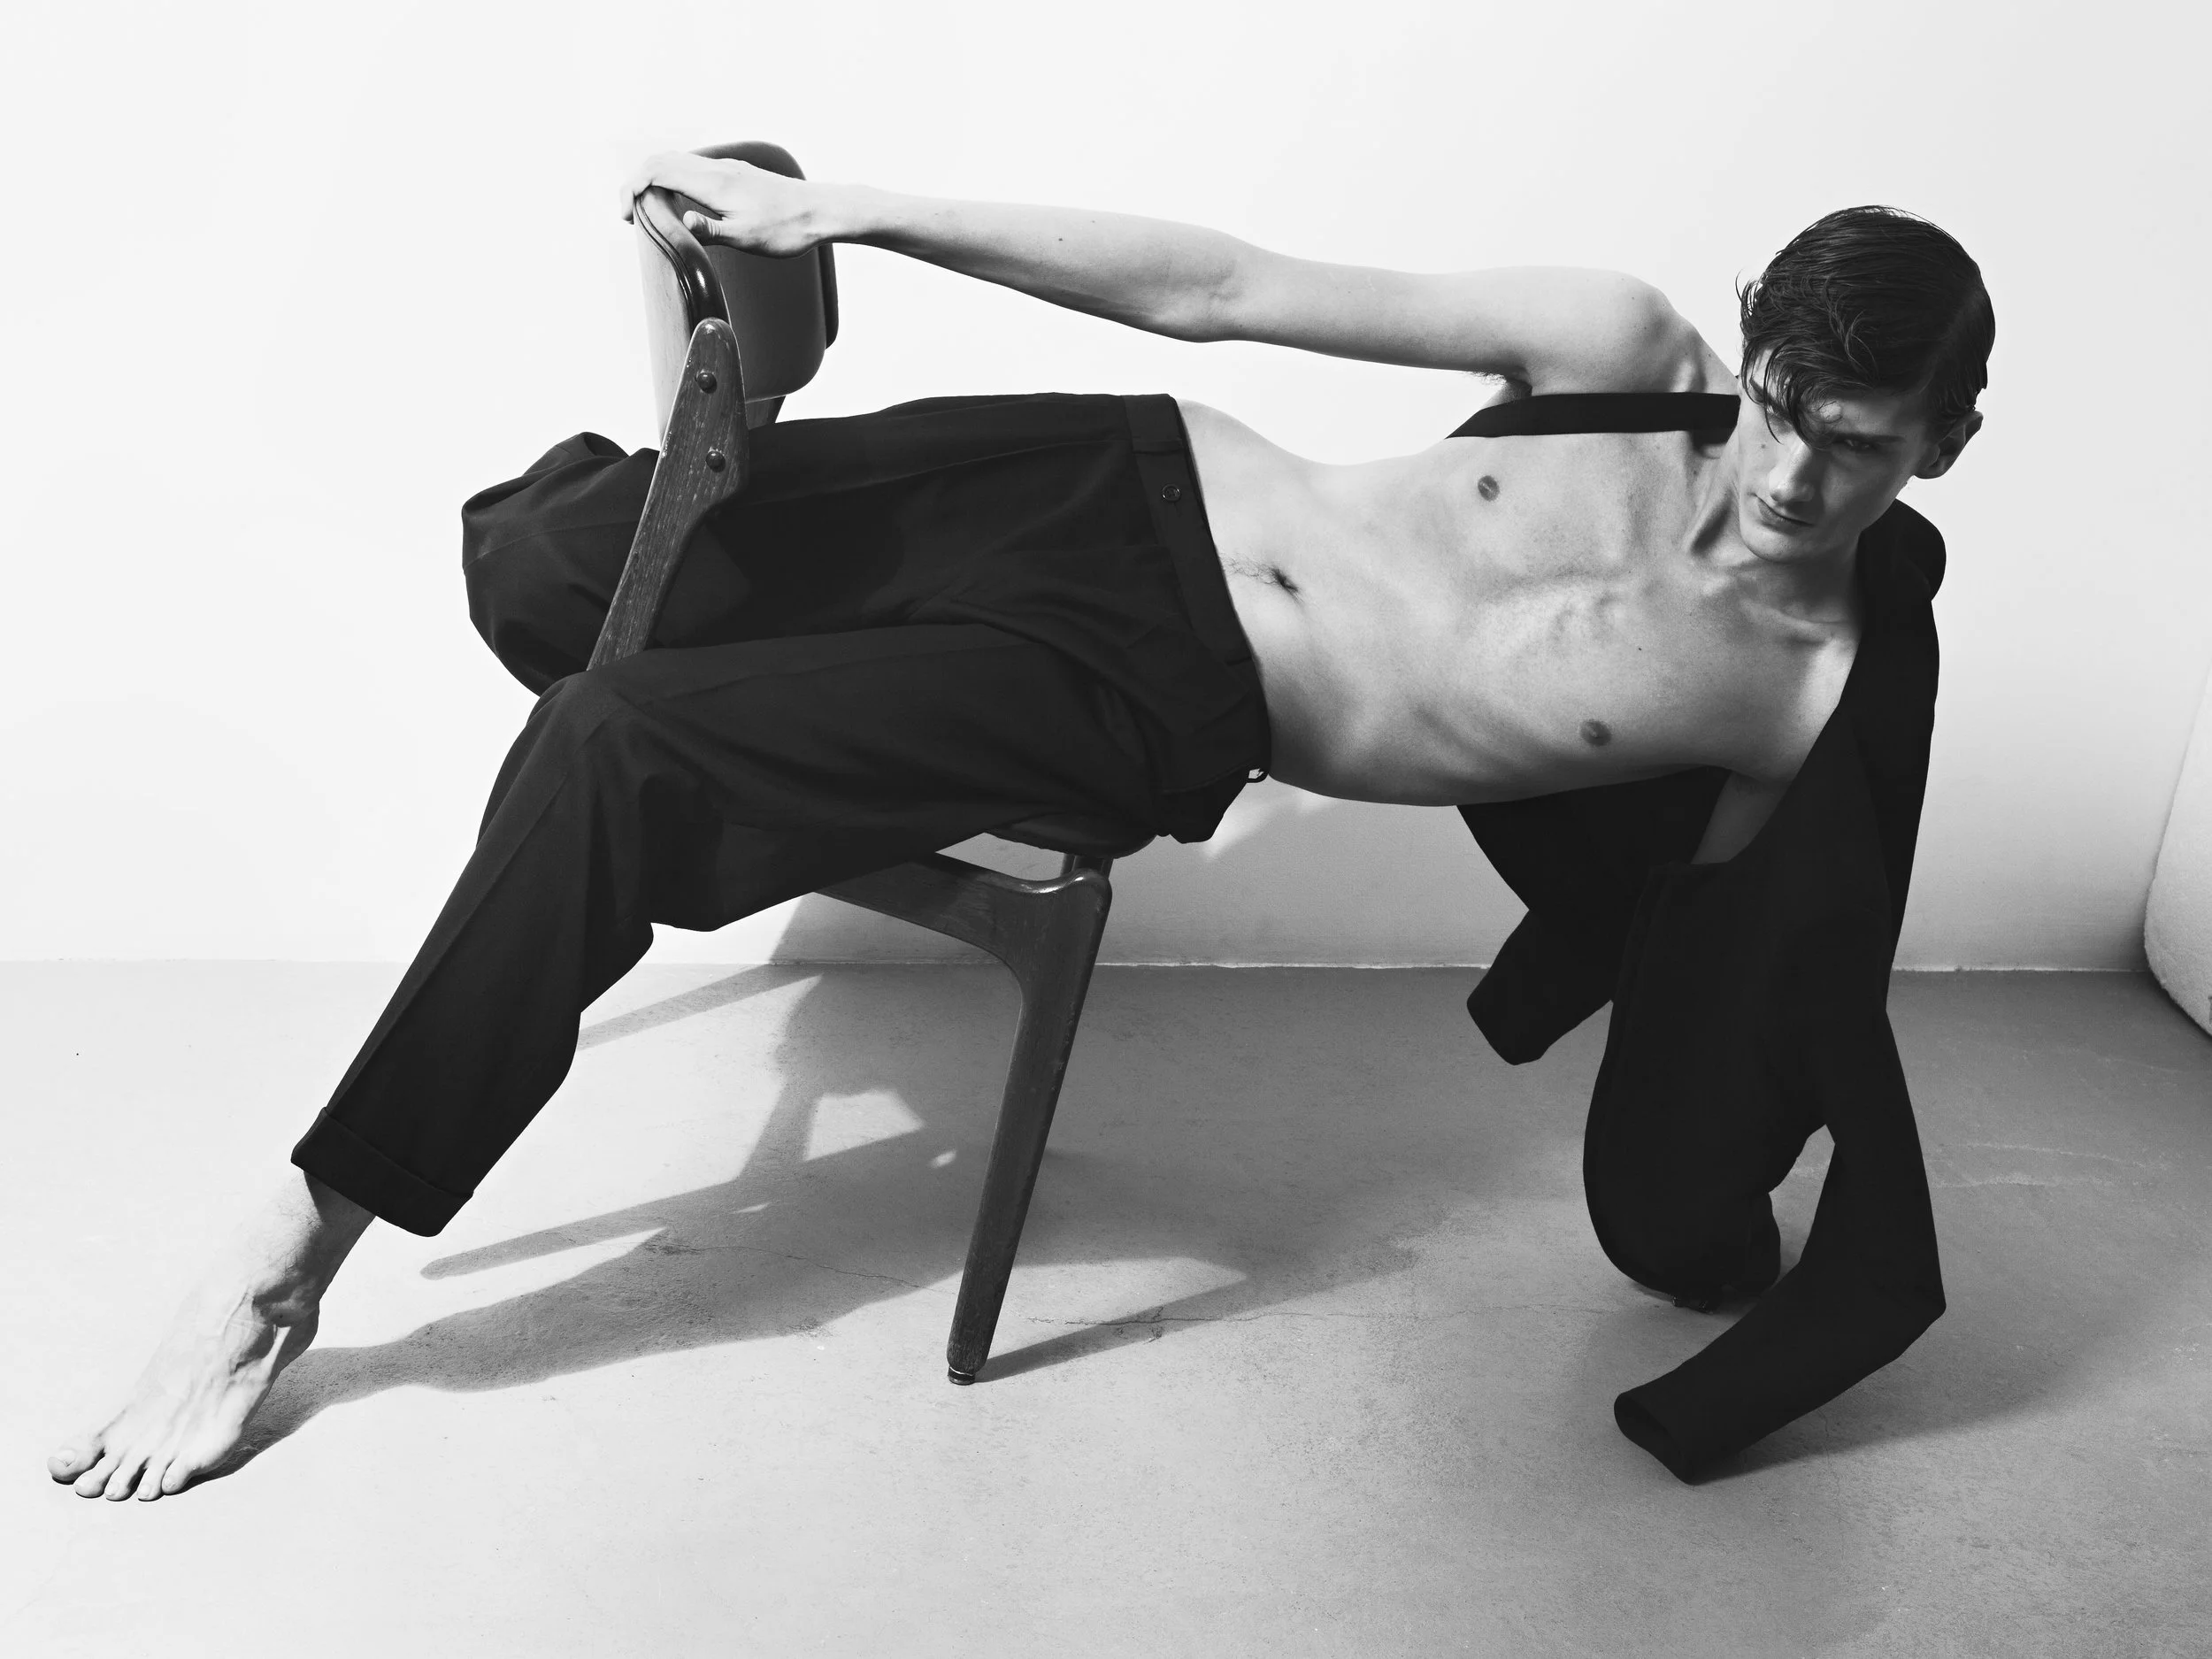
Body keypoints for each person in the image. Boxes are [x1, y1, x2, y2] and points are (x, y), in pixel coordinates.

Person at [49, 152, 1990, 1500]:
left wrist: (1709, 1202)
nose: (1789, 469)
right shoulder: (1616, 351)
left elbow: (1739, 970)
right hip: (1118, 480)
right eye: (1778, 406)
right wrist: (855, 214)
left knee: (607, 745)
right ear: (1744, 358)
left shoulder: (1796, 695)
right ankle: (719, 676)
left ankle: (283, 1255)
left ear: (1935, 445)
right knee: (552, 555)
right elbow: (1223, 288)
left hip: (1154, 701)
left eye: (1856, 439)